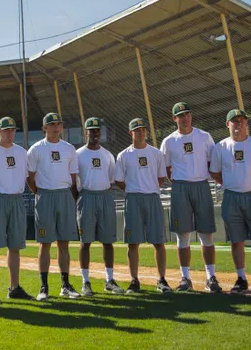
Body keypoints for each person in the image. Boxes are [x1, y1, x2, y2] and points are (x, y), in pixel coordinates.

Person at [210, 109, 251, 296]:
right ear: (227, 124)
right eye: (234, 121)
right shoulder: (220, 147)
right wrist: (231, 183)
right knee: (236, 240)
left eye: (242, 120)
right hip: (231, 197)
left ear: (246, 123)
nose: (238, 124)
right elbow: (214, 172)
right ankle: (241, 278)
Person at [160, 102, 223, 293]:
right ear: (175, 119)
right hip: (180, 188)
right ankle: (185, 278)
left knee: (206, 234)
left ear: (191, 116)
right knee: (183, 235)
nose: (185, 117)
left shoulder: (204, 136)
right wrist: (181, 182)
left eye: (188, 114)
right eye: (181, 115)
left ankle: (210, 277)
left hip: (202, 185)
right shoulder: (169, 141)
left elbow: (213, 162)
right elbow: (167, 169)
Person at [0, 116, 34, 303]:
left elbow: (26, 177)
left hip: (17, 199)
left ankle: (14, 288)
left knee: (15, 247)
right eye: (6, 130)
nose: (10, 133)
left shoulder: (21, 152)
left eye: (13, 130)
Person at [27, 112, 81, 301]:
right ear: (44, 128)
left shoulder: (69, 149)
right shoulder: (36, 149)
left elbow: (73, 177)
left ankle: (65, 285)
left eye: (58, 124)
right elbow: (30, 178)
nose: (56, 127)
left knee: (64, 243)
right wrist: (41, 193)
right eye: (52, 124)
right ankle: (44, 287)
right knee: (45, 244)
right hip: (44, 195)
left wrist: (63, 190)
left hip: (64, 195)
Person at [115, 117, 172, 294]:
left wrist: (149, 187)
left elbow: (161, 177)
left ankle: (162, 279)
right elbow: (119, 180)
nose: (141, 132)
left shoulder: (156, 153)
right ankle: (134, 280)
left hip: (153, 198)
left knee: (158, 241)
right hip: (133, 199)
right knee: (133, 243)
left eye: (143, 129)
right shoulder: (124, 155)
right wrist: (134, 189)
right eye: (137, 130)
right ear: (131, 133)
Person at [74, 117, 124, 296]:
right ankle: (85, 282)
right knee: (85, 241)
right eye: (92, 130)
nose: (95, 133)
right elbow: (73, 180)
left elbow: (111, 181)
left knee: (108, 241)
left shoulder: (108, 155)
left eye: (97, 130)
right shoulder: (78, 154)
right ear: (85, 132)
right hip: (86, 196)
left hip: (104, 196)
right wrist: (79, 199)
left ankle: (109, 280)